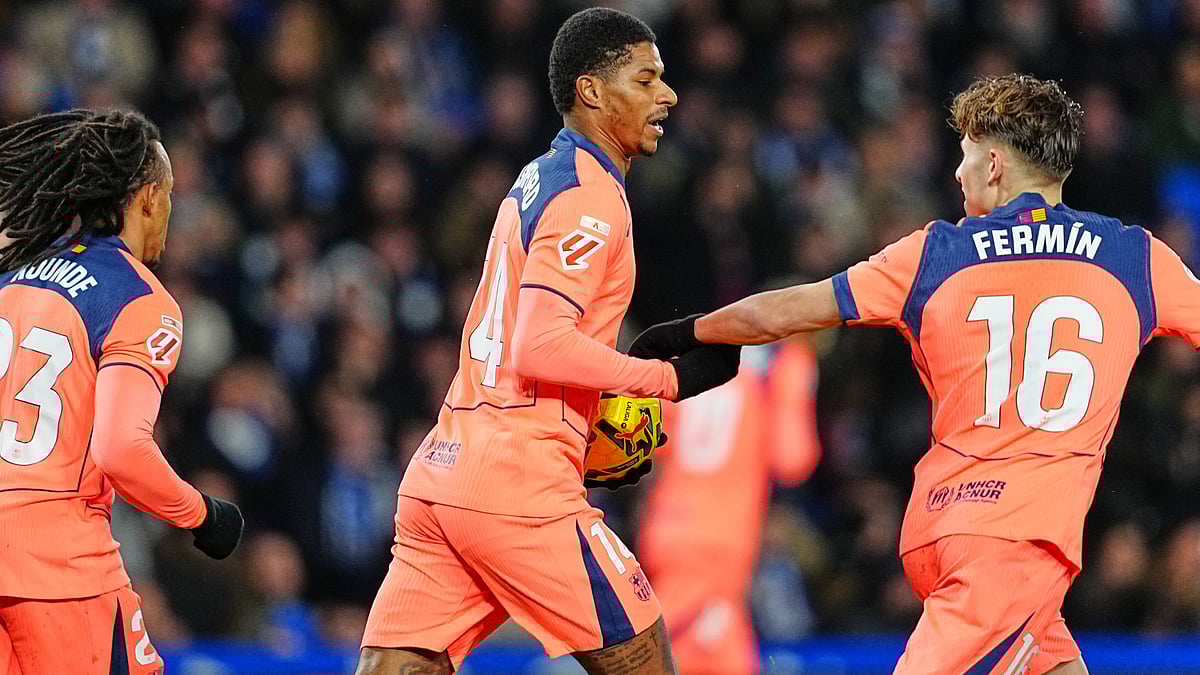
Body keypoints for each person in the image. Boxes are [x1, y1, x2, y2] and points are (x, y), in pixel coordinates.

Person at [628, 73, 1196, 674]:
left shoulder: (934, 253)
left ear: (996, 165)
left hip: (945, 526)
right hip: (1017, 543)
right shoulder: (1135, 258)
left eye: (966, 155)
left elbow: (793, 306)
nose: (958, 173)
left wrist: (688, 332)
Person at [357, 8, 740, 675]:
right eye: (646, 79)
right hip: (520, 485)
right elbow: (538, 345)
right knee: (646, 656)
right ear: (591, 90)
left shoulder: (542, 175)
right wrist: (668, 380)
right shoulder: (590, 196)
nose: (667, 95)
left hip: (446, 470)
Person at [0, 109, 244, 674]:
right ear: (148, 198)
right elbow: (121, 450)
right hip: (61, 569)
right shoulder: (140, 299)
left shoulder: (11, 280)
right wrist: (203, 515)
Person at [638, 339, 822, 675]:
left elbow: (650, 445)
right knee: (653, 659)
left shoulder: (694, 362)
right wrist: (797, 380)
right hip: (717, 543)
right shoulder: (779, 365)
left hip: (668, 530)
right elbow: (794, 460)